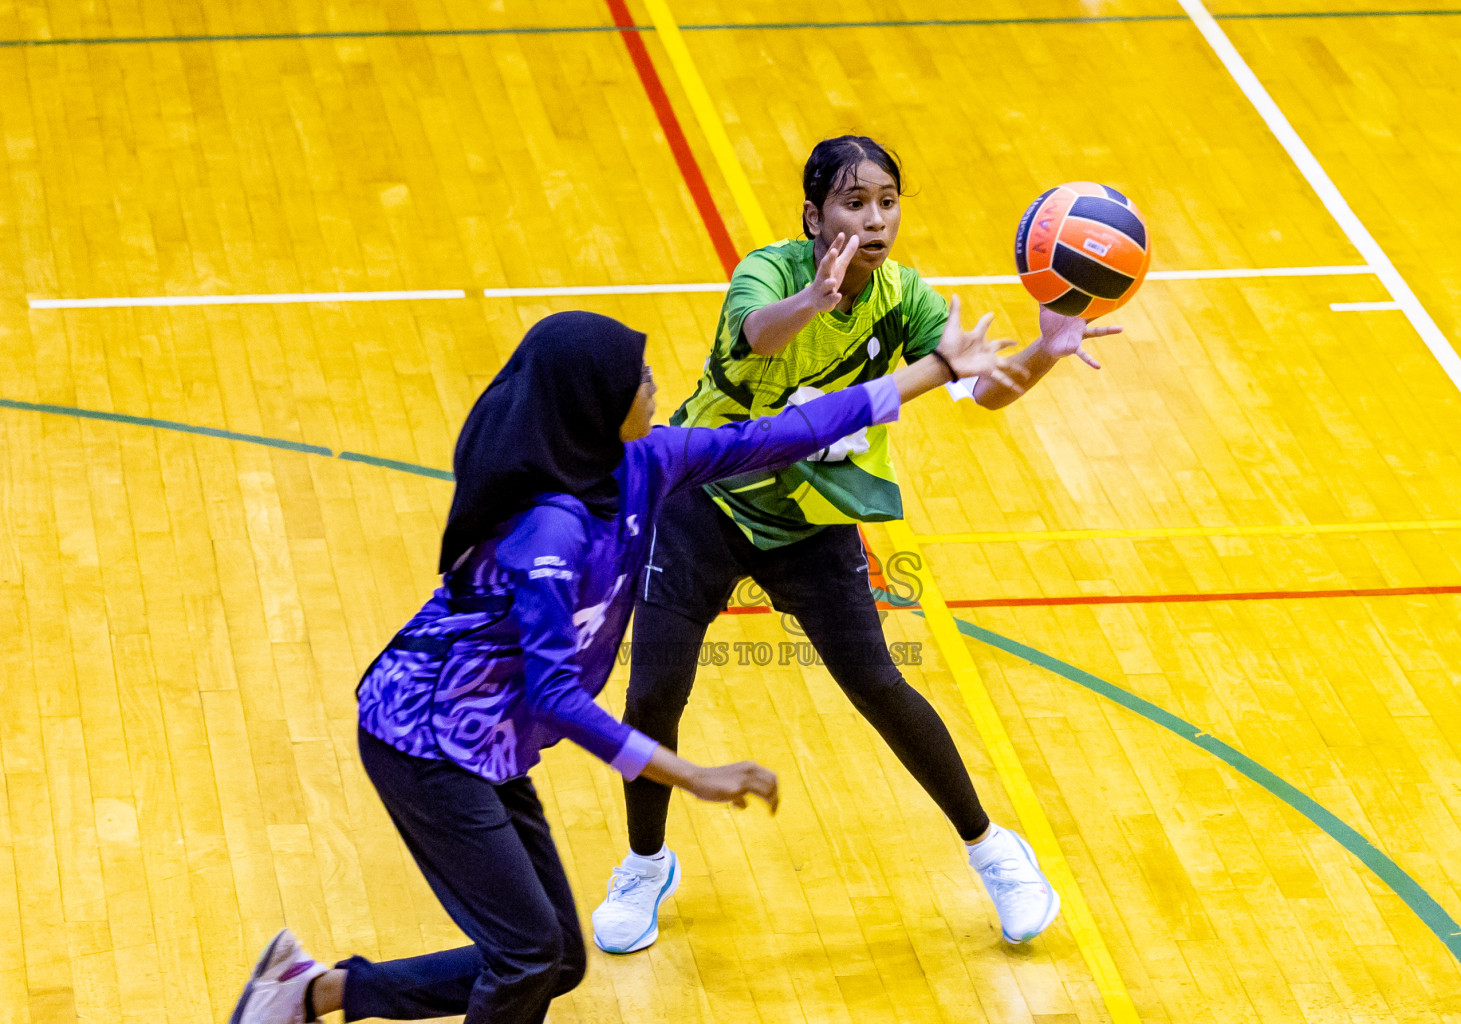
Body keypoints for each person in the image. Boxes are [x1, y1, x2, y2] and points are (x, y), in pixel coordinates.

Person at [227, 304, 1014, 1024]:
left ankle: (313, 992)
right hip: (423, 743)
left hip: (489, 744)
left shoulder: (645, 462)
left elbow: (777, 435)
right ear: (596, 409)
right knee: (528, 955)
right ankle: (311, 995)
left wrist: (938, 370)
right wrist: (689, 773)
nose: (655, 382)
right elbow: (558, 697)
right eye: (638, 377)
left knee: (553, 960)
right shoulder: (548, 533)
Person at [592, 136, 1122, 953]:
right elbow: (761, 337)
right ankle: (644, 864)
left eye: (886, 202)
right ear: (814, 215)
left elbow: (979, 390)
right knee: (655, 694)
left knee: (879, 685)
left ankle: (994, 851)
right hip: (703, 498)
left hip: (810, 515)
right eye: (853, 203)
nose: (874, 220)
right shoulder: (767, 274)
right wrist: (814, 298)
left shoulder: (907, 297)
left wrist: (1046, 352)